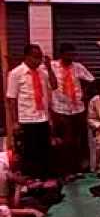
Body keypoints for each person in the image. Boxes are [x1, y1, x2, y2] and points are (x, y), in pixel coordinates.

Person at [6, 44, 58, 180]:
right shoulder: (16, 73)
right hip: (26, 119)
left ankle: (44, 178)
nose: (38, 60)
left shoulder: (43, 72)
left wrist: (49, 68)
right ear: (27, 56)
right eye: (35, 57)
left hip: (43, 117)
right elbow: (11, 99)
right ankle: (30, 179)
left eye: (40, 57)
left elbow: (54, 85)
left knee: (44, 150)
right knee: (29, 152)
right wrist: (14, 122)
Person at [51, 43, 95, 180]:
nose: (70, 57)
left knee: (77, 141)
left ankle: (77, 169)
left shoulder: (78, 67)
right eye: (68, 54)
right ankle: (65, 171)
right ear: (61, 54)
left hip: (77, 108)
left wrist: (85, 94)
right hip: (60, 108)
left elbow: (91, 80)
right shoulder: (52, 66)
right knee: (65, 141)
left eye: (72, 54)